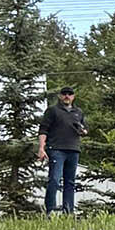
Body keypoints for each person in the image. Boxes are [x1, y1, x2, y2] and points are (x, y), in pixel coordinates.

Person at [38, 84, 87, 215]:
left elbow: (84, 129)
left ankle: (68, 212)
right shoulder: (52, 111)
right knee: (54, 179)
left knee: (70, 182)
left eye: (69, 94)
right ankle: (50, 211)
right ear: (60, 96)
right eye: (64, 94)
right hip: (56, 149)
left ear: (73, 97)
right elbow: (43, 130)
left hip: (73, 149)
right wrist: (41, 148)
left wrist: (83, 131)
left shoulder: (79, 112)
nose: (67, 96)